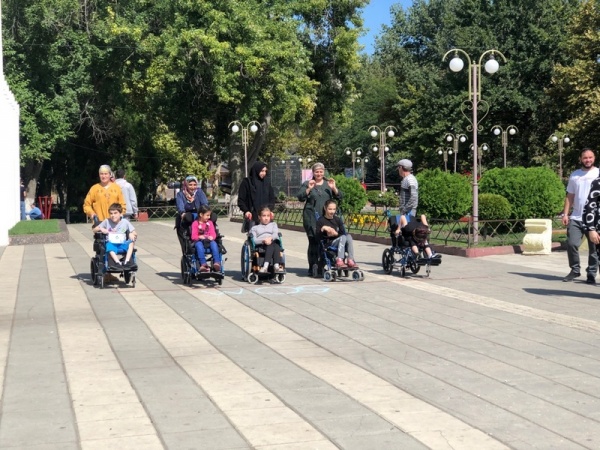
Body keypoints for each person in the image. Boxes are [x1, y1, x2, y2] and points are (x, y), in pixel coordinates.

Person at [297, 163, 342, 275]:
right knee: (313, 241)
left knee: (325, 242)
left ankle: (322, 264)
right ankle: (312, 266)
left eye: (321, 171)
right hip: (311, 217)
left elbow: (340, 197)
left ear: (324, 172)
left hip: (326, 219)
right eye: (317, 172)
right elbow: (300, 197)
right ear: (313, 172)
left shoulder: (328, 184)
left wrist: (334, 188)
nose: (319, 174)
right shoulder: (308, 183)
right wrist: (309, 189)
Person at [562, 148, 599, 284]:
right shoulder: (575, 175)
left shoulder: (598, 173)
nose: (588, 160)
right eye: (585, 158)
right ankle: (575, 269)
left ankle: (591, 274)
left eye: (590, 157)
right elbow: (570, 196)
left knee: (594, 248)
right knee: (571, 243)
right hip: (577, 217)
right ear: (580, 159)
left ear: (594, 158)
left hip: (594, 219)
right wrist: (565, 214)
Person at [92, 203, 137, 269]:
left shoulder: (125, 222)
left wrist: (131, 234)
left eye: (115, 213)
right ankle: (117, 263)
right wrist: (101, 229)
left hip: (122, 243)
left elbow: (135, 233)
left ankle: (127, 262)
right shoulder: (107, 221)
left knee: (131, 242)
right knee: (108, 245)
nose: (113, 215)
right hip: (112, 243)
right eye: (111, 213)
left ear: (120, 214)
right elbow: (94, 230)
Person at [316, 199, 356, 269]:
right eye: (330, 209)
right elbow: (317, 237)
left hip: (340, 239)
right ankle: (339, 259)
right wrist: (323, 230)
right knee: (343, 237)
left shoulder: (337, 220)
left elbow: (343, 232)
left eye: (334, 209)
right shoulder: (321, 221)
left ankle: (350, 259)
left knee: (348, 236)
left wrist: (335, 234)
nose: (332, 211)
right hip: (329, 243)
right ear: (325, 208)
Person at [238, 161, 275, 231]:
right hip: (252, 216)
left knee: (267, 235)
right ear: (256, 170)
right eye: (262, 171)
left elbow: (272, 198)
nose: (264, 173)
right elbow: (241, 200)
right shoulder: (247, 182)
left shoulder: (267, 183)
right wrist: (246, 211)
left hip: (265, 216)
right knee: (253, 235)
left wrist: (270, 210)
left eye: (265, 171)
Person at [175, 175, 209, 252]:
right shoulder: (181, 194)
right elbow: (180, 207)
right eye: (190, 185)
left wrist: (204, 213)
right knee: (188, 218)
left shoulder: (199, 192)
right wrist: (183, 213)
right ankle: (186, 253)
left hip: (199, 216)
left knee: (212, 218)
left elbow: (205, 204)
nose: (193, 187)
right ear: (186, 184)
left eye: (194, 185)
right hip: (186, 217)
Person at [250, 206, 283, 273]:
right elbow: (254, 240)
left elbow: (275, 234)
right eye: (264, 216)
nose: (266, 218)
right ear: (259, 217)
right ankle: (274, 266)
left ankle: (268, 266)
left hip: (273, 241)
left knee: (275, 244)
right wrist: (264, 240)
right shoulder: (255, 228)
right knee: (273, 245)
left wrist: (270, 238)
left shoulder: (273, 224)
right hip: (262, 245)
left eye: (268, 216)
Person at [191, 205, 222, 272]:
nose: (209, 217)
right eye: (207, 215)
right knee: (199, 245)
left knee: (214, 244)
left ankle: (217, 262)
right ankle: (203, 264)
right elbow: (193, 236)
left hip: (209, 241)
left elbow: (213, 233)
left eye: (209, 215)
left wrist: (212, 237)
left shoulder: (210, 223)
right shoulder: (195, 224)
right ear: (201, 215)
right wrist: (199, 237)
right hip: (199, 241)